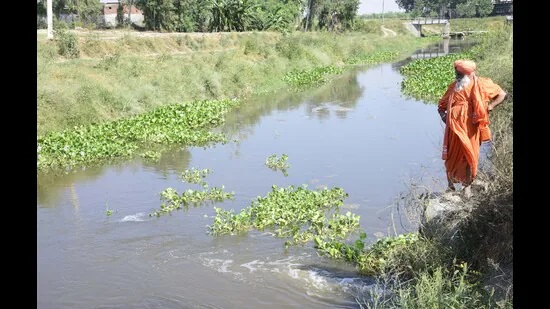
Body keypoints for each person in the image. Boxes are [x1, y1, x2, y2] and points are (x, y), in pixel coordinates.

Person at [437, 59, 507, 199]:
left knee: (469, 154)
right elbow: (441, 106)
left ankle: (467, 186)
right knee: (451, 155)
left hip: (471, 128)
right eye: (456, 72)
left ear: (466, 73)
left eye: (459, 72)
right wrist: (445, 118)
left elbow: (502, 94)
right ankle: (450, 185)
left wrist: (490, 107)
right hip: (453, 129)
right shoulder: (453, 87)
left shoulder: (481, 84)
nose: (456, 74)